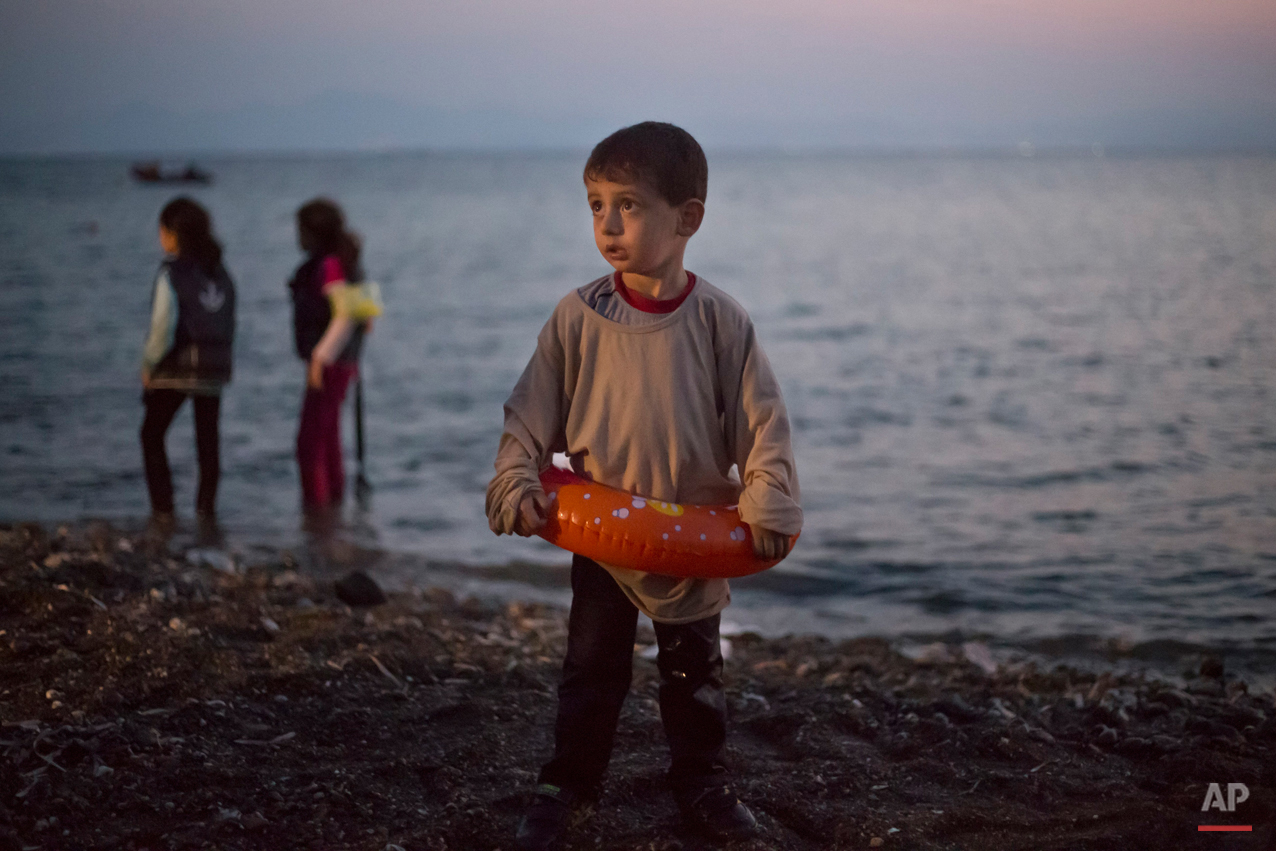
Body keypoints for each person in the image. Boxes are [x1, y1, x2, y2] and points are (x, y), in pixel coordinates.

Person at [486, 122, 803, 849]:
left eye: (626, 205)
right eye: (595, 204)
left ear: (687, 217)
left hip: (692, 541)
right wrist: (515, 473)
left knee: (694, 676)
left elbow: (763, 421)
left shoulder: (721, 322)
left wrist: (768, 495)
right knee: (589, 672)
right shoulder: (578, 317)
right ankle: (567, 783)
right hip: (601, 537)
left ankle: (703, 784)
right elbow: (530, 409)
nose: (607, 223)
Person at [140, 197, 236, 527]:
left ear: (171, 234)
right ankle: (206, 513)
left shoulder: (172, 272)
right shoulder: (220, 271)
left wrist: (149, 364)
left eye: (161, 230)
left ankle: (163, 510)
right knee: (208, 442)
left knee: (151, 434)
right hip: (214, 367)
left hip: (177, 367)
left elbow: (162, 326)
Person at [289, 198, 373, 512]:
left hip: (330, 363)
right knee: (329, 439)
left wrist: (320, 357)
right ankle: (334, 509)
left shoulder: (329, 265)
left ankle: (318, 514)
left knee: (309, 445)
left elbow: (345, 317)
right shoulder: (348, 260)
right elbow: (365, 317)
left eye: (300, 230)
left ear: (313, 232)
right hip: (347, 362)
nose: (297, 237)